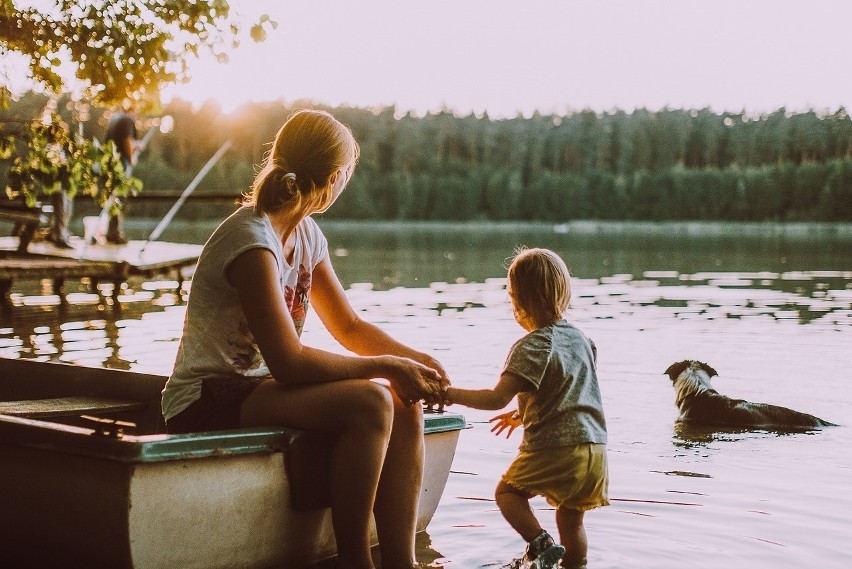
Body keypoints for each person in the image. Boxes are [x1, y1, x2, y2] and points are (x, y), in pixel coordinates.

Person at [161, 109, 449, 569]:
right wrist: (386, 366)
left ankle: (403, 563)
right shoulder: (252, 240)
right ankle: (356, 562)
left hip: (260, 390)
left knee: (402, 400)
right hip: (205, 397)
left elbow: (349, 327)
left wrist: (416, 362)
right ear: (334, 178)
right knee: (372, 402)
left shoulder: (307, 235)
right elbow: (288, 362)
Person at [442, 248, 609, 569]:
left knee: (508, 494)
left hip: (555, 448)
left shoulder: (532, 345)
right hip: (596, 454)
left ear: (517, 301)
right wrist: (522, 415)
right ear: (564, 293)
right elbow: (571, 393)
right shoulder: (583, 341)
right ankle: (576, 564)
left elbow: (495, 398)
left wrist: (448, 394)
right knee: (572, 521)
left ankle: (541, 543)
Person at [103, 108, 140, 243]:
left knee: (113, 197)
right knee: (119, 197)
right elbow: (127, 140)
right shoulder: (127, 119)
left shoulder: (114, 119)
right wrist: (131, 159)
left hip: (109, 161)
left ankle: (112, 232)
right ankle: (114, 233)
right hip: (121, 163)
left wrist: (136, 146)